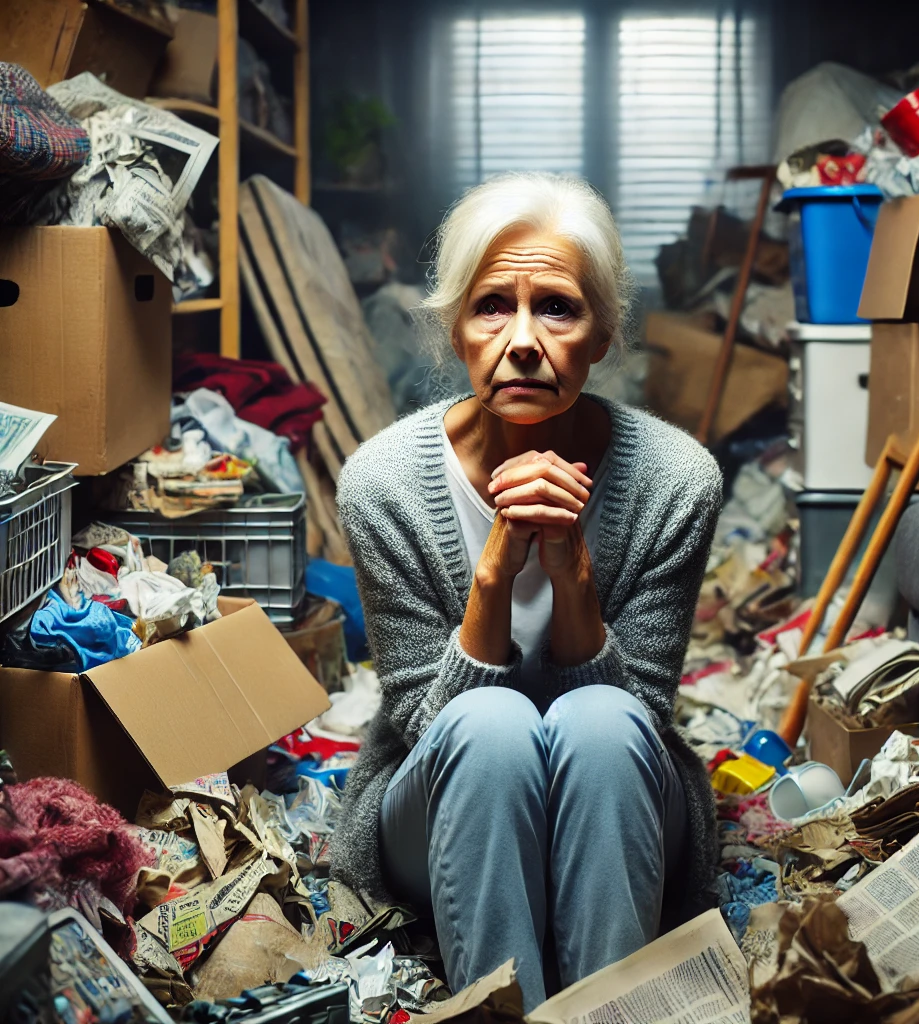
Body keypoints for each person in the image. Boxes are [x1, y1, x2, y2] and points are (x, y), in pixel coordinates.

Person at [329, 172, 722, 1011]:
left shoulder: (674, 480)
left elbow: (643, 719)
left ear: (604, 334)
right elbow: (421, 723)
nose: (522, 342)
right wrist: (496, 570)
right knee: (491, 722)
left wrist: (572, 568)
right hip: (445, 798)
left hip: (614, 788)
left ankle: (605, 1008)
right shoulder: (384, 484)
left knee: (606, 718)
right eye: (490, 308)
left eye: (556, 307)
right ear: (455, 332)